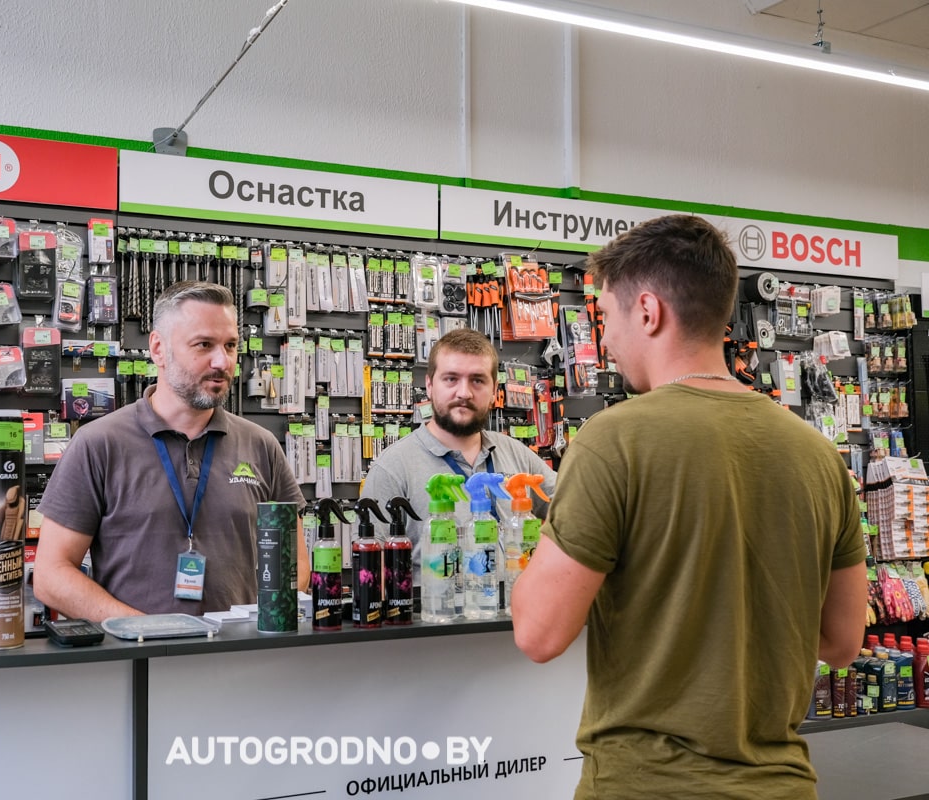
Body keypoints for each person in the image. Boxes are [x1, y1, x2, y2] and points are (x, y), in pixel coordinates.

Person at [511, 215, 868, 799]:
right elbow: (842, 642)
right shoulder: (819, 455)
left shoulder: (613, 440)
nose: (606, 339)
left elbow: (539, 633)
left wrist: (533, 541)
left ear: (647, 311)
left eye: (607, 316)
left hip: (645, 786)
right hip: (781, 785)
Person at [34, 281, 308, 620]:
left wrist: (265, 625)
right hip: (138, 652)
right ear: (158, 349)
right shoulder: (98, 444)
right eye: (204, 345)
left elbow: (294, 564)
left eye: (230, 345)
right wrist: (147, 631)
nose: (222, 361)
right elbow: (51, 575)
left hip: (240, 650)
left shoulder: (261, 445)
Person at [360, 328, 556, 581]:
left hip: (520, 605)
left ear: (494, 390)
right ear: (429, 385)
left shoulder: (516, 454)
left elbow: (575, 512)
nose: (464, 392)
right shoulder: (392, 468)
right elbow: (370, 574)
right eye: (451, 379)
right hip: (436, 606)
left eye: (477, 380)